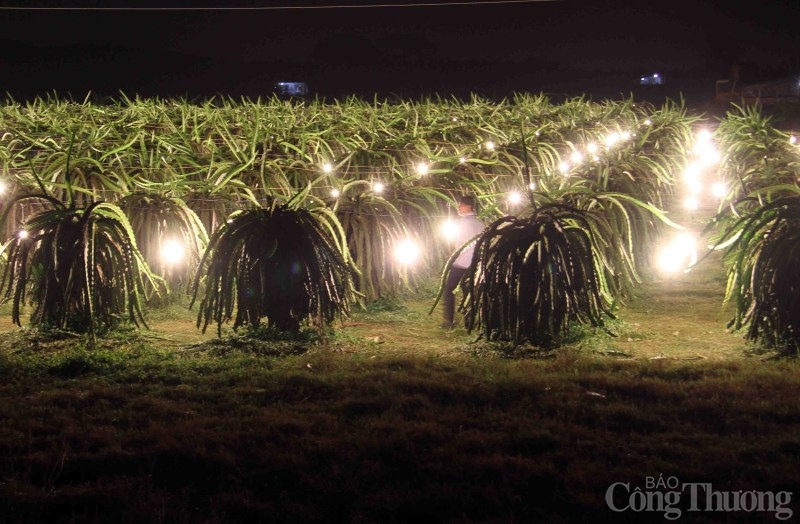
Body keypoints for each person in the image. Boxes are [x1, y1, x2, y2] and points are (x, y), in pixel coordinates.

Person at [442, 195, 485, 329]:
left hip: (461, 262)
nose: (459, 207)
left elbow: (460, 242)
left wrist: (453, 255)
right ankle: (469, 322)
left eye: (461, 205)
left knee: (449, 289)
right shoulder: (480, 223)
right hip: (474, 263)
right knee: (469, 291)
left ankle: (449, 320)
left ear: (469, 207)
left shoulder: (463, 223)